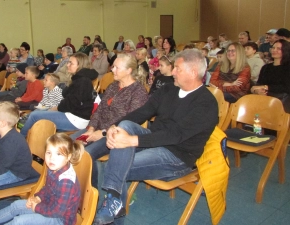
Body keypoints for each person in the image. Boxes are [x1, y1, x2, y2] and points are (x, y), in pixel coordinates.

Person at [92, 49, 218, 225]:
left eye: (177, 68)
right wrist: (115, 126)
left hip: (177, 155)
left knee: (116, 165)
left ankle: (113, 203)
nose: (172, 71)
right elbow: (143, 112)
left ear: (193, 73)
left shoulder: (206, 103)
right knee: (126, 127)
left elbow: (175, 135)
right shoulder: (169, 89)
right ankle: (114, 203)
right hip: (154, 139)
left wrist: (132, 140)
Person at [0, 133, 83, 225]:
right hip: (47, 206)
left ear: (68, 157)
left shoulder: (66, 182)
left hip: (60, 220)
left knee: (19, 221)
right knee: (16, 205)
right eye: (48, 153)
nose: (52, 158)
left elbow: (57, 212)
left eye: (58, 154)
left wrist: (36, 207)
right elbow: (48, 188)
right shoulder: (54, 168)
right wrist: (38, 197)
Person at [70, 53, 148, 188]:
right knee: (68, 144)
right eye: (113, 66)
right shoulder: (113, 86)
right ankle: (73, 186)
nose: (112, 69)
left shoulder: (138, 92)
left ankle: (89, 194)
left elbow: (129, 121)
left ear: (129, 70)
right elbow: (99, 110)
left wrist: (102, 133)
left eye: (116, 67)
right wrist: (91, 129)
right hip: (98, 129)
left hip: (115, 135)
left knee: (86, 154)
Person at [20, 52, 98, 137]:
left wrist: (56, 108)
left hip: (76, 119)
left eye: (71, 63)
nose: (67, 65)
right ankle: (37, 142)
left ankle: (20, 139)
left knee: (34, 116)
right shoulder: (79, 79)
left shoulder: (83, 81)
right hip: (71, 115)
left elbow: (71, 104)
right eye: (68, 62)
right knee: (40, 111)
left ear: (79, 66)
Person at [251, 39, 290, 113]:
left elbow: (287, 87)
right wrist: (256, 90)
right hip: (264, 96)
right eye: (273, 48)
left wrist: (266, 87)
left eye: (278, 49)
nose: (274, 50)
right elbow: (259, 83)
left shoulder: (287, 67)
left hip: (281, 99)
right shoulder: (266, 67)